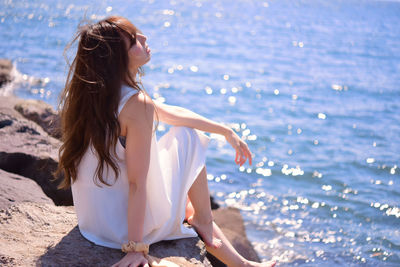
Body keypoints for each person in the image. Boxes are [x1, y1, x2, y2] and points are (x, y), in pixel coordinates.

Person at [55, 15, 276, 267]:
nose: (144, 38)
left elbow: (171, 113)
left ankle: (241, 263)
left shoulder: (93, 92)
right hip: (120, 232)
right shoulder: (136, 105)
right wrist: (136, 248)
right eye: (134, 41)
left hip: (93, 223)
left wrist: (225, 131)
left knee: (185, 130)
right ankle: (203, 220)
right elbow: (137, 183)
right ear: (118, 58)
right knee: (190, 136)